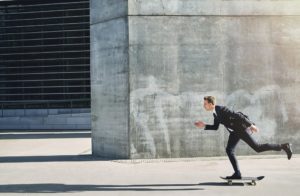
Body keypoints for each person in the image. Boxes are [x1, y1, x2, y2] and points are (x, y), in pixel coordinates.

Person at [194, 96, 292, 179]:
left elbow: (237, 115)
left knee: (257, 148)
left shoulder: (220, 109)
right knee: (229, 150)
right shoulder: (215, 113)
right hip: (234, 132)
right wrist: (204, 125)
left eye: (205, 104)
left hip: (240, 129)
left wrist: (250, 125)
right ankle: (237, 173)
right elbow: (215, 127)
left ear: (211, 104)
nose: (204, 106)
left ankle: (283, 146)